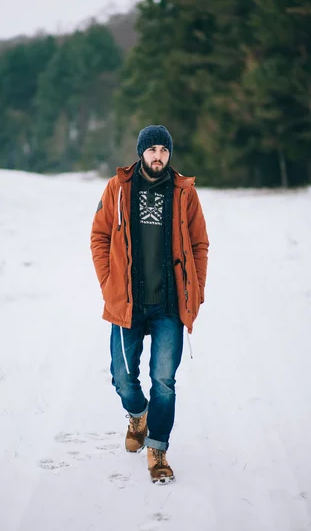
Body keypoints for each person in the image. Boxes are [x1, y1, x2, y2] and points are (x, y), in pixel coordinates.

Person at [90, 125, 209, 484]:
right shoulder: (118, 188)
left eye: (164, 149)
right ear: (141, 152)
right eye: (152, 149)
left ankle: (157, 449)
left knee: (164, 382)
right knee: (123, 378)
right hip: (128, 303)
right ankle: (137, 414)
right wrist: (108, 282)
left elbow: (200, 244)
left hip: (169, 306)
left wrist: (196, 290)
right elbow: (99, 235)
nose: (158, 155)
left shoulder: (184, 193)